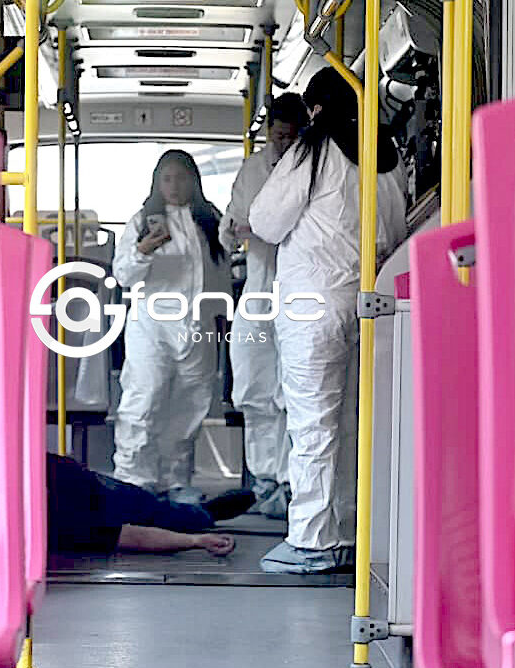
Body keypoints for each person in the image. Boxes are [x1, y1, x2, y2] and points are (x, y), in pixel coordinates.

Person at [248, 67, 408, 574]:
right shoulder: (385, 153)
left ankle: (314, 541)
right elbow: (398, 228)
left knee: (314, 421)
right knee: (358, 422)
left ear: (315, 109)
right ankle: (353, 532)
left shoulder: (313, 149)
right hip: (370, 300)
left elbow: (265, 222)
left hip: (313, 303)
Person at [111, 150, 231, 500]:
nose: (174, 186)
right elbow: (123, 275)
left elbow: (220, 273)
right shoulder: (142, 220)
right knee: (144, 399)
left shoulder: (209, 219)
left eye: (181, 178)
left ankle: (175, 482)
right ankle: (133, 481)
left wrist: (223, 316)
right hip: (153, 325)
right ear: (156, 182)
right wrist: (144, 250)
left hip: (199, 325)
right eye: (167, 179)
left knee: (189, 406)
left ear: (194, 181)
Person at [218, 93, 309, 520]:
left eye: (291, 135)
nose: (284, 141)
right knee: (256, 391)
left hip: (302, 291)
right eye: (278, 134)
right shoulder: (254, 169)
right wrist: (237, 229)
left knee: (295, 395)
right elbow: (233, 222)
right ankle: (265, 481)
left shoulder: (316, 164)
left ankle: (293, 484)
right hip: (259, 287)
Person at [47, 453, 256, 556]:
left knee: (153, 509)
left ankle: (202, 513)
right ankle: (201, 514)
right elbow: (123, 537)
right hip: (81, 492)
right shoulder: (58, 520)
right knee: (154, 510)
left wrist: (195, 540)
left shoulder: (60, 513)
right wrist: (195, 541)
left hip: (92, 491)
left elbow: (124, 536)